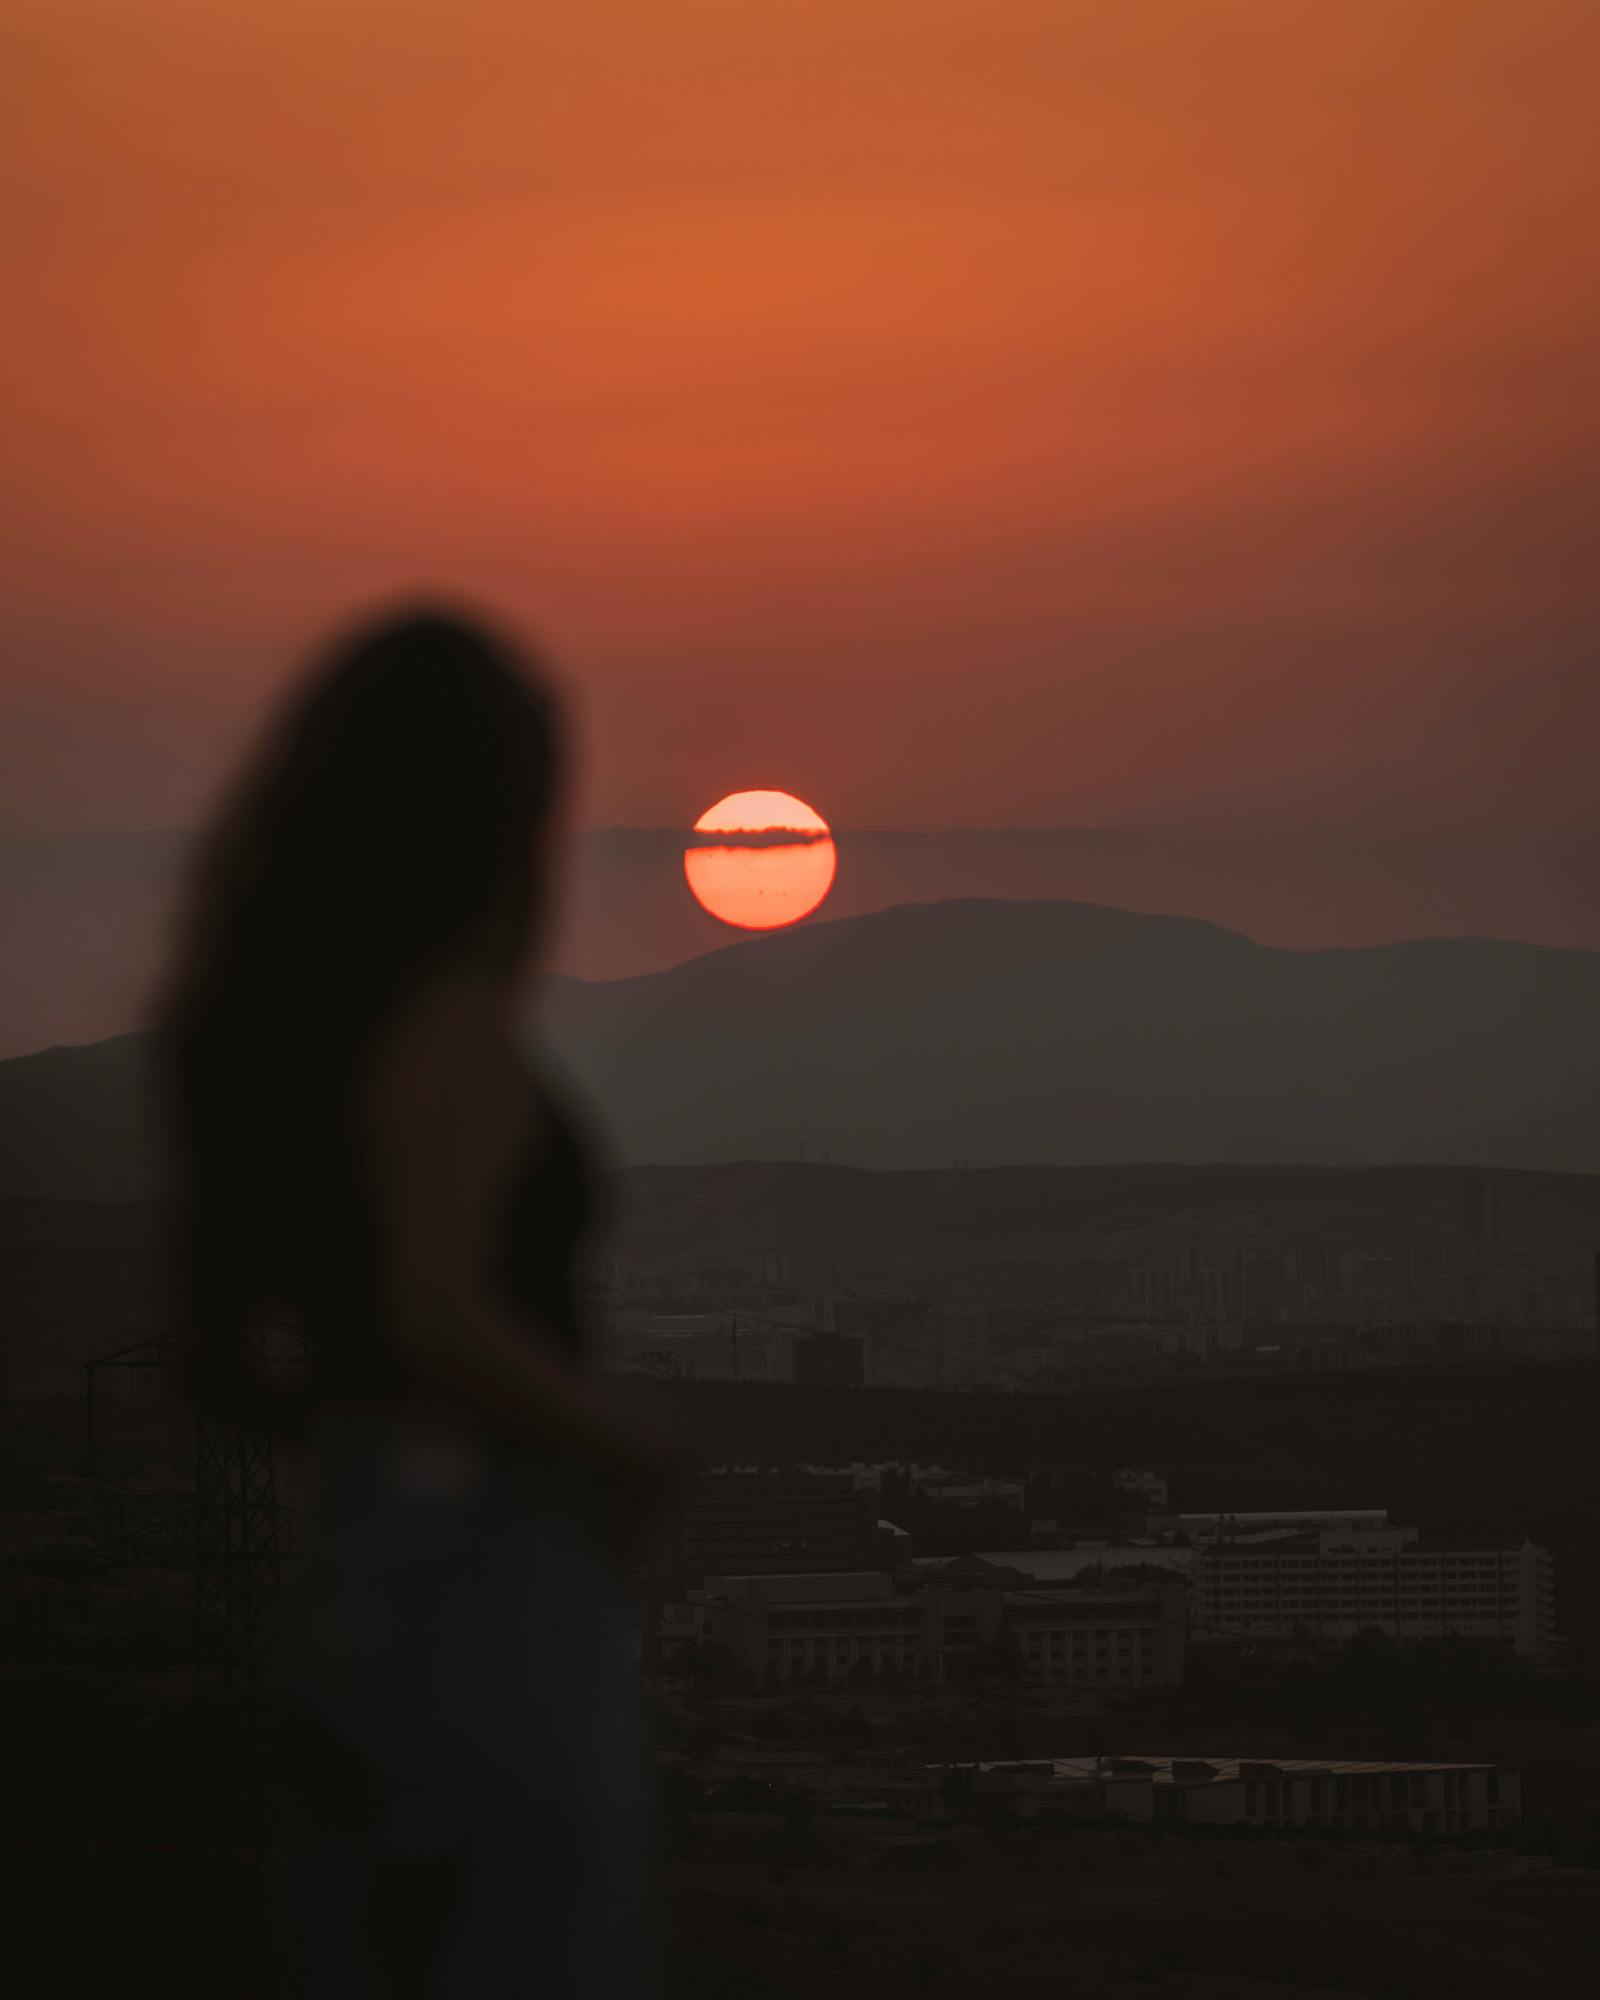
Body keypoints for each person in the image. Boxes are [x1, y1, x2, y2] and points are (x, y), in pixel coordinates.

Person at [154, 604, 670, 1996]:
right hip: (486, 1566)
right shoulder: (447, 1025)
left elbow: (284, 1345)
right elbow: (431, 1310)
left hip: (361, 1556)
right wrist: (631, 1452)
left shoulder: (288, 1044)